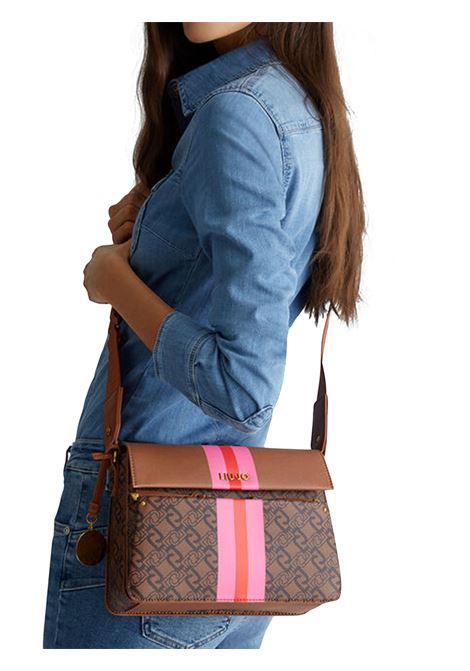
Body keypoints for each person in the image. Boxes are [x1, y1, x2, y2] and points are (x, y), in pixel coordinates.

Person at [42, 21, 365, 649]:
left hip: (145, 513)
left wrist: (114, 280)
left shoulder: (237, 115)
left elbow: (242, 385)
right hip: (232, 520)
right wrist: (159, 220)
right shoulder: (299, 109)